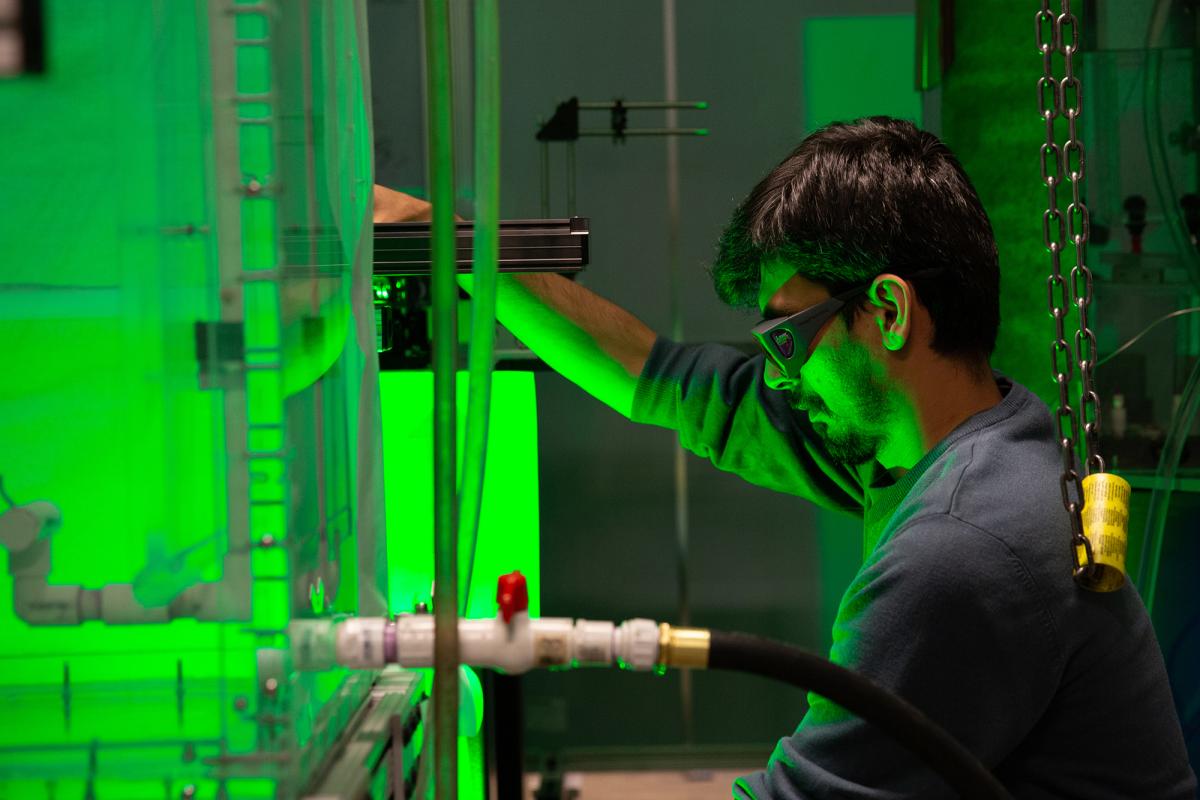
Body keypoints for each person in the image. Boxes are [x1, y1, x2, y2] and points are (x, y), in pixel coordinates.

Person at [375, 117, 1196, 798]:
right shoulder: (958, 444)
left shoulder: (963, 548)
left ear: (888, 311)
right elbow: (662, 380)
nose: (774, 373)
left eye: (785, 338)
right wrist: (435, 236)